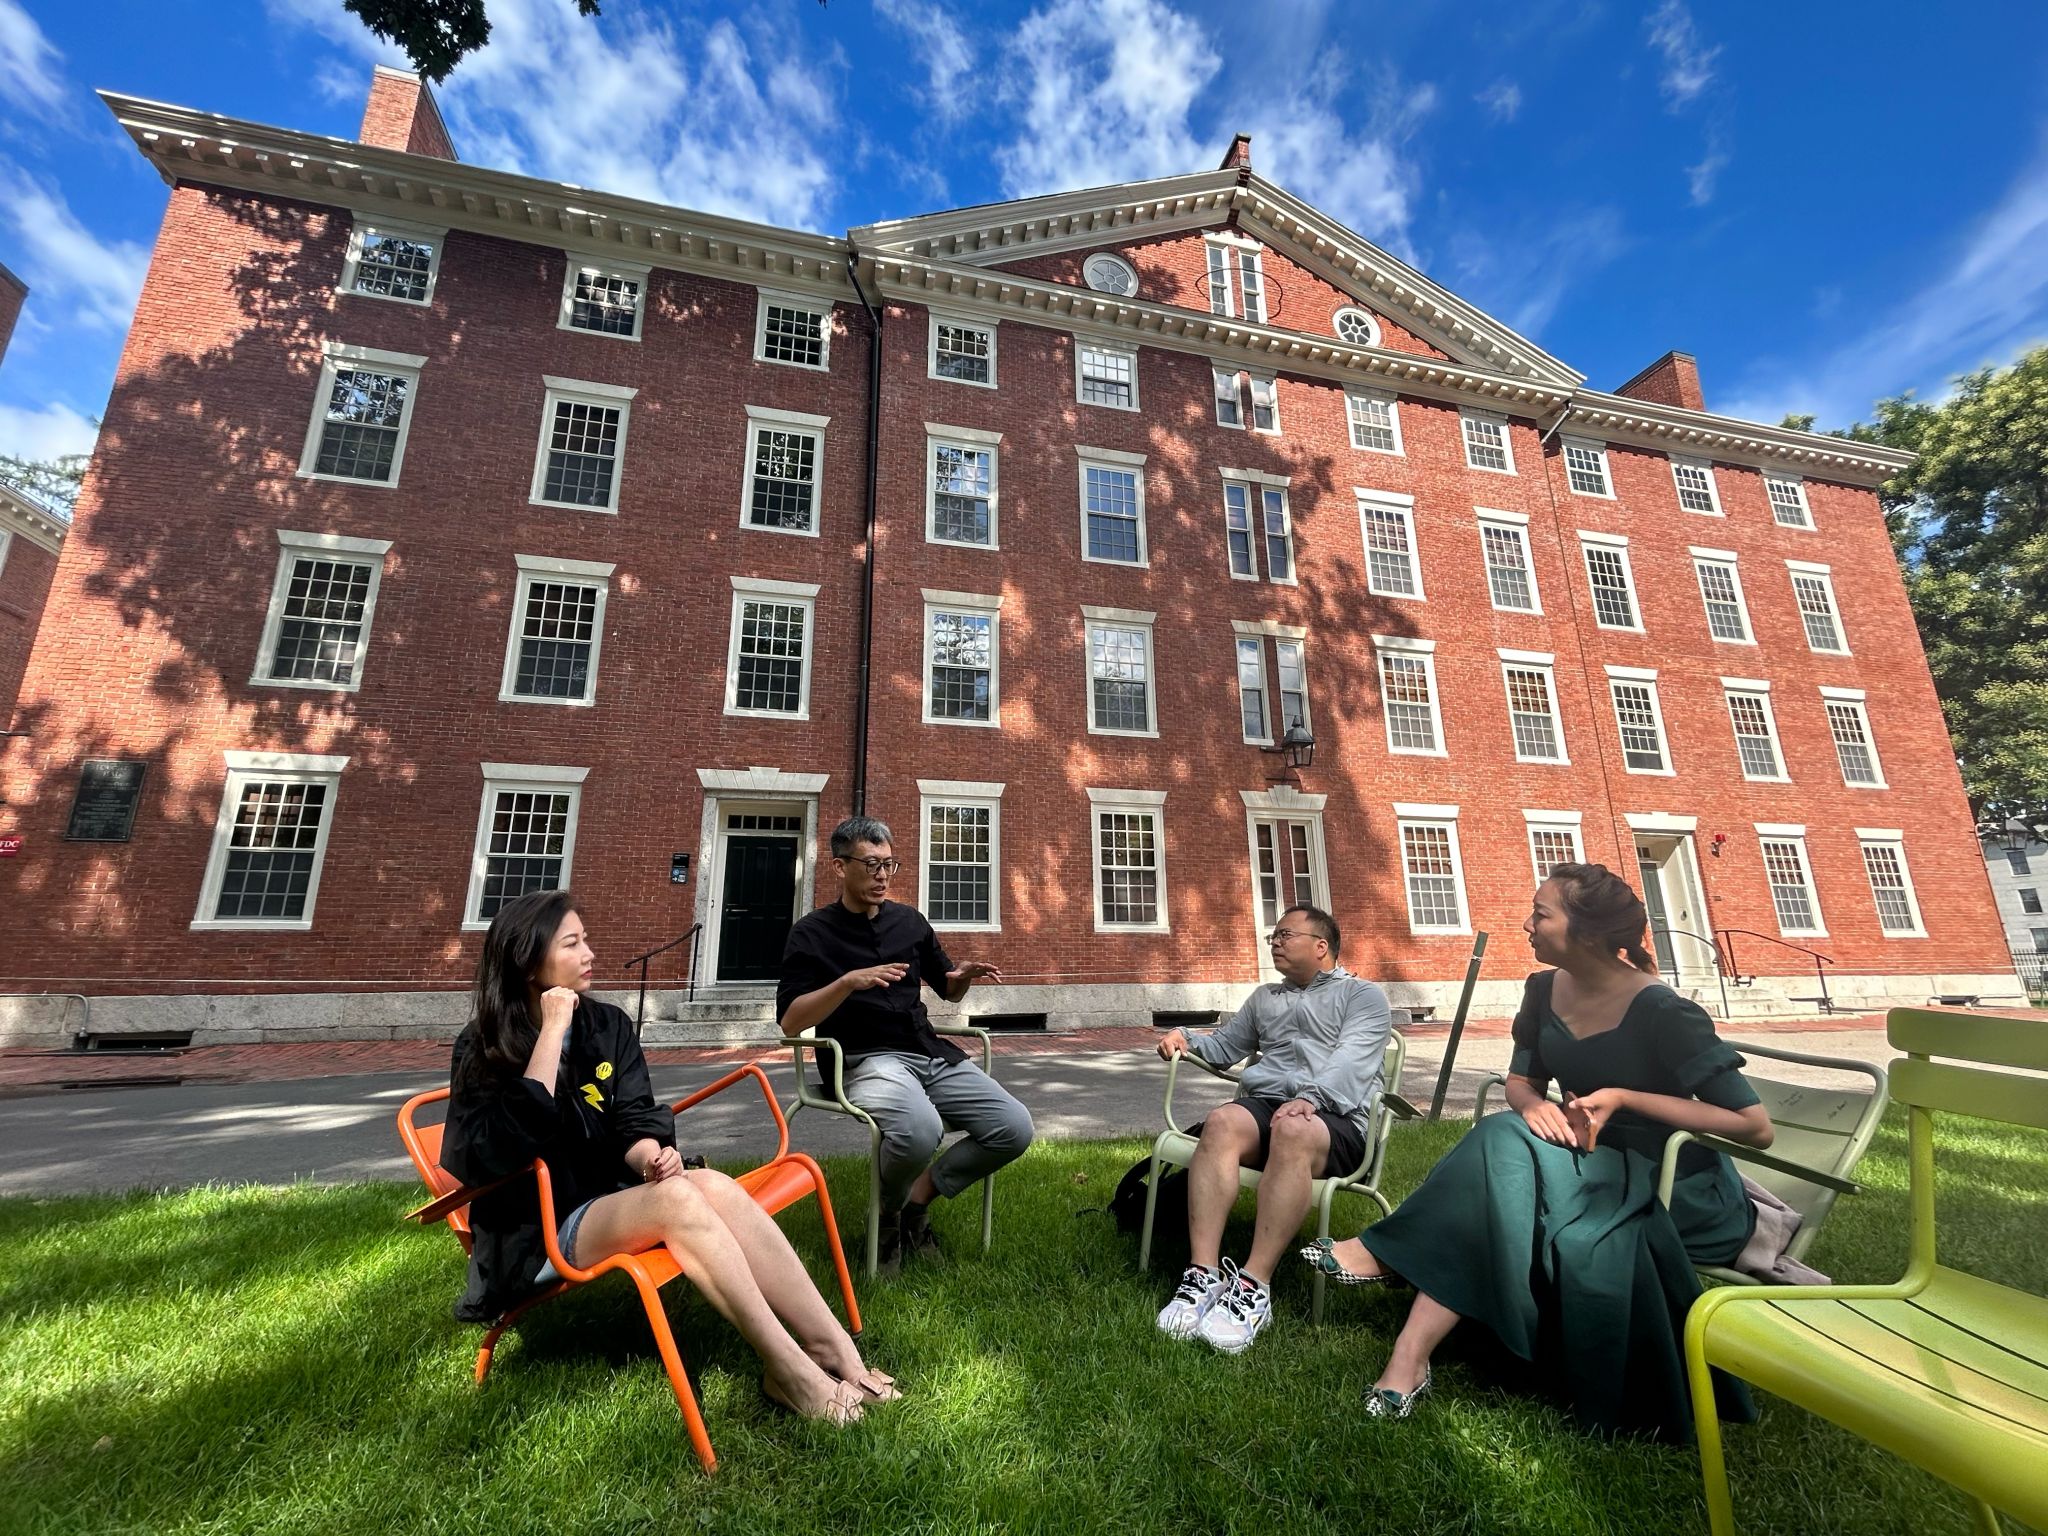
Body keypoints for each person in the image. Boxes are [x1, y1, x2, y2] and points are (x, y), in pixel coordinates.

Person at [1306, 863, 1774, 1438]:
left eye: (1540, 914)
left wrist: (1625, 1098)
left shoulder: (1663, 1011)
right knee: (1505, 1148)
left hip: (1669, 1177)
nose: (1527, 924)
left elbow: (1754, 1126)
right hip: (1580, 1153)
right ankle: (1408, 1357)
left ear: (1588, 932)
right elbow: (1521, 1081)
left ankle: (1391, 1266)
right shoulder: (1543, 990)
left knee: (1499, 1151)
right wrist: (1532, 1106)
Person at [441, 888, 893, 1425]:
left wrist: (650, 1158)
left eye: (586, 940)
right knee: (677, 1202)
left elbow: (634, 1116)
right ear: (527, 961)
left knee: (714, 1185)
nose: (589, 954)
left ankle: (836, 1351)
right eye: (572, 943)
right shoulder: (485, 1044)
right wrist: (553, 1029)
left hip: (609, 1200)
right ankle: (791, 1373)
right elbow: (493, 1152)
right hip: (537, 1229)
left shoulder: (606, 1025)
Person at [777, 815, 1035, 1268]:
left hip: (929, 1053)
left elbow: (948, 989)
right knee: (920, 1130)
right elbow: (791, 1023)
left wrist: (963, 977)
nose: (882, 876)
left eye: (889, 865)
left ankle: (913, 1201)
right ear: (839, 866)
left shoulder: (910, 922)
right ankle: (889, 1221)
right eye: (870, 865)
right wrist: (847, 983)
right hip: (866, 1060)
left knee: (1013, 1127)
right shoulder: (811, 933)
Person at [1153, 904, 1393, 1354]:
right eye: (1274, 937)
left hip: (1338, 1119)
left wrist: (1311, 1098)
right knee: (1222, 1121)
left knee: (1294, 1130)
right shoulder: (1265, 998)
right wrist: (1186, 1037)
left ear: (1321, 946)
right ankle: (1202, 1274)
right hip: (1271, 1108)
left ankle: (1253, 1285)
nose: (1275, 942)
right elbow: (1224, 1047)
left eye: (1286, 935)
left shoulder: (1362, 997)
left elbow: (1352, 1060)